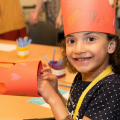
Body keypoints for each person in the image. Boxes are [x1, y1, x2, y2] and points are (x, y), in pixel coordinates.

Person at [37, 0, 120, 120]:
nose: (78, 49)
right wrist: (56, 93)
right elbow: (75, 112)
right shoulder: (83, 76)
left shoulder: (112, 87)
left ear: (111, 45)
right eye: (71, 41)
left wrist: (53, 100)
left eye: (91, 39)